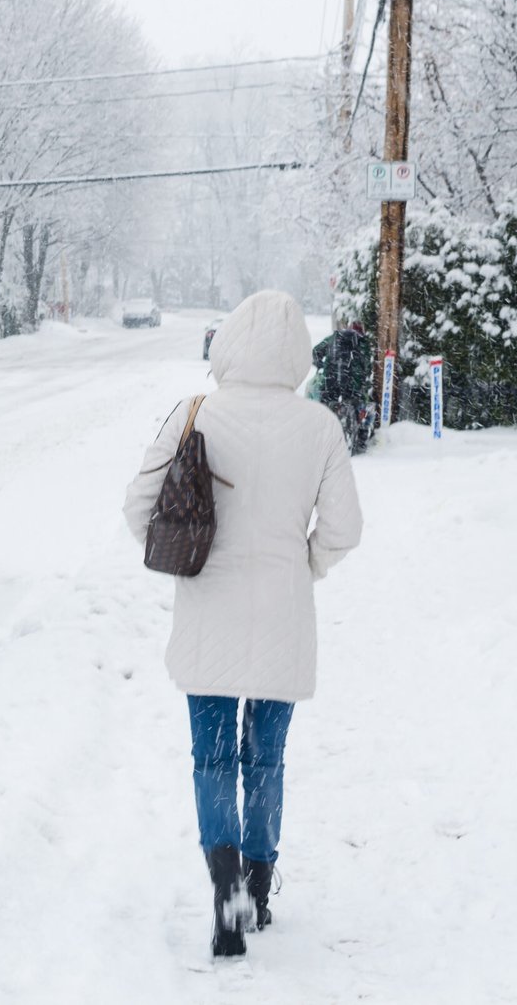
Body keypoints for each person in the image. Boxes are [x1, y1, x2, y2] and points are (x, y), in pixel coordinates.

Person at [122, 290, 363, 959]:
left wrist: (187, 553)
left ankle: (225, 888)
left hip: (208, 610)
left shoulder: (194, 413)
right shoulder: (319, 426)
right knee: (265, 756)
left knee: (212, 757)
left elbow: (137, 506)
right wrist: (304, 564)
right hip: (285, 611)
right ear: (295, 352)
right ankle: (259, 884)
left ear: (228, 343)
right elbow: (345, 529)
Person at [312, 321, 375, 408]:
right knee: (352, 412)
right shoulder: (362, 343)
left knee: (325, 410)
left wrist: (321, 366)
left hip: (330, 380)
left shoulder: (333, 339)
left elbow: (315, 352)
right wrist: (364, 383)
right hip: (352, 386)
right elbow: (367, 366)